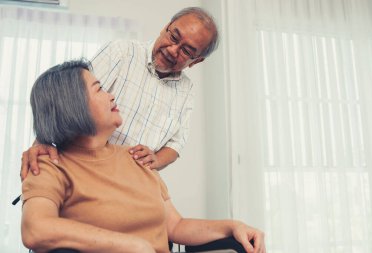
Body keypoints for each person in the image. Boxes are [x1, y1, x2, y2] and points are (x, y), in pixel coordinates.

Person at [21, 59, 266, 253]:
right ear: (73, 105)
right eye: (100, 89)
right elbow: (36, 229)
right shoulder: (48, 163)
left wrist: (233, 226)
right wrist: (131, 245)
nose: (112, 95)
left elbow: (176, 226)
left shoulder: (136, 158)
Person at [20, 6, 219, 178]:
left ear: (196, 61)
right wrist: (42, 141)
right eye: (173, 37)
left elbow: (177, 143)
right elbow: (72, 98)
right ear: (164, 27)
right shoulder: (122, 52)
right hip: (84, 169)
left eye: (186, 51)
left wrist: (156, 159)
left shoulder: (186, 91)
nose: (173, 50)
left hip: (133, 183)